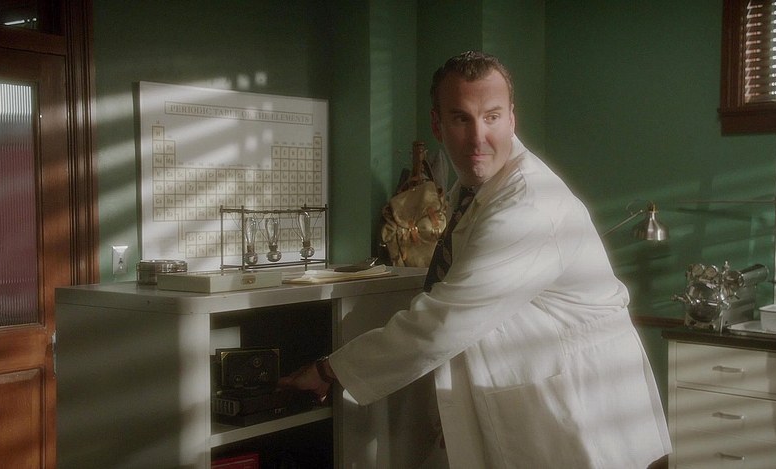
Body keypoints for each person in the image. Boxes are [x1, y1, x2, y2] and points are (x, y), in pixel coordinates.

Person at [280, 51, 671, 468]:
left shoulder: (530, 205)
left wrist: (328, 371)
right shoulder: (473, 192)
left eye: (492, 117)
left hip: (583, 413)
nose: (477, 137)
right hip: (541, 402)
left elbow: (444, 322)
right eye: (461, 119)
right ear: (438, 125)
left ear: (512, 119)